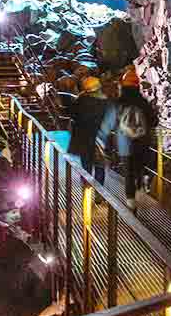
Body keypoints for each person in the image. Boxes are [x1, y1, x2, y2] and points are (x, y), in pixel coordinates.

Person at [114, 67, 157, 210]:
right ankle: (140, 187)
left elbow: (113, 122)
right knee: (139, 166)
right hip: (142, 141)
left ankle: (130, 199)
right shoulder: (143, 102)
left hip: (124, 142)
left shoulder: (119, 102)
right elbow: (153, 121)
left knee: (128, 171)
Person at [66, 75, 110, 178]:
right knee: (100, 165)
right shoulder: (105, 101)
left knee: (86, 166)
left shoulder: (80, 100)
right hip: (100, 139)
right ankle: (99, 190)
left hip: (83, 138)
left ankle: (86, 187)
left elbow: (73, 115)